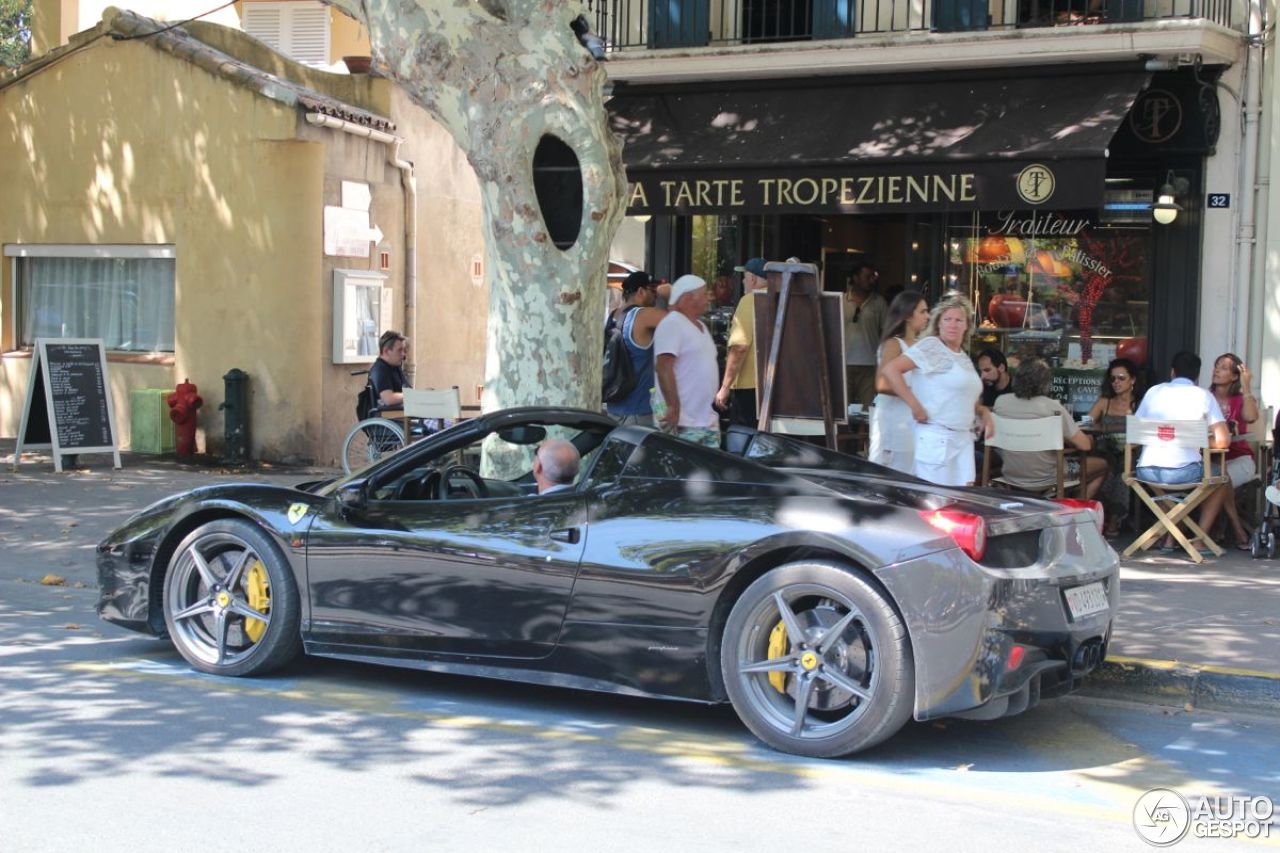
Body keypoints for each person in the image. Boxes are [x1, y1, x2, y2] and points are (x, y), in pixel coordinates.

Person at [881, 294, 992, 486]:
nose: (953, 324)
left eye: (959, 320)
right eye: (947, 319)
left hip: (963, 438)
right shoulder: (931, 347)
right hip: (938, 436)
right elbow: (891, 370)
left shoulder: (962, 356)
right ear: (938, 323)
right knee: (937, 502)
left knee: (960, 503)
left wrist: (983, 411)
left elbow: (963, 395)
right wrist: (915, 405)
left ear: (966, 326)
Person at [1133, 351, 1232, 551]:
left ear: (1172, 372)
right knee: (1222, 478)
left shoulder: (1153, 392)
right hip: (1184, 472)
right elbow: (1223, 441)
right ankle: (1199, 538)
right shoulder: (1203, 396)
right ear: (1197, 377)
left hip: (1147, 471)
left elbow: (1134, 434)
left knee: (1167, 488)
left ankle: (1170, 537)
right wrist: (1195, 442)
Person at [993, 359, 1108, 499]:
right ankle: (1075, 510)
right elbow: (1084, 445)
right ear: (1045, 383)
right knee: (1102, 465)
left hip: (1011, 474)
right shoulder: (1052, 407)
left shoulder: (1001, 402)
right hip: (1049, 477)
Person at [653, 274, 721, 448]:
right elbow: (663, 366)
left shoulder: (701, 326)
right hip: (683, 423)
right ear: (689, 298)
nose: (709, 298)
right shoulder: (672, 323)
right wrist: (673, 407)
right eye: (704, 294)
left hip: (705, 422)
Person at [869, 291, 928, 474]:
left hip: (913, 421)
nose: (928, 316)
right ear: (909, 315)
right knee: (892, 474)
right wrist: (915, 394)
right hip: (894, 421)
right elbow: (882, 383)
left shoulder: (922, 344)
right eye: (923, 311)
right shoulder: (894, 344)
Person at [1084, 357, 1143, 537]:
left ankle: (1114, 517)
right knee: (1108, 465)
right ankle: (1103, 516)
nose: (1116, 382)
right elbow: (1087, 422)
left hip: (1132, 451)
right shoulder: (1105, 401)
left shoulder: (1139, 403)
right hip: (1107, 450)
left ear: (1132, 380)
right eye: (1113, 378)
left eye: (1121, 378)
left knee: (1122, 468)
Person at [1208, 352, 1259, 549]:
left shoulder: (1240, 399)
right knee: (1219, 476)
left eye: (1223, 367)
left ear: (1235, 375)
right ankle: (1233, 528)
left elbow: (1251, 417)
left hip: (1239, 458)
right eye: (1216, 366)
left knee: (1222, 477)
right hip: (1209, 459)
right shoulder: (1205, 397)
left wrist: (1246, 387)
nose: (1216, 370)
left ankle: (1223, 529)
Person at [605, 271, 667, 426]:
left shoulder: (613, 316)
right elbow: (680, 321)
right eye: (653, 291)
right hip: (638, 413)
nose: (656, 296)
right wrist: (671, 294)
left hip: (614, 410)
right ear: (640, 291)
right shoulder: (642, 315)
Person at [715, 257, 768, 427]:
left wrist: (725, 387)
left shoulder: (750, 300)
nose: (743, 281)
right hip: (774, 386)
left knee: (743, 440)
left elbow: (739, 347)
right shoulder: (780, 300)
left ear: (752, 279)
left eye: (745, 277)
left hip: (749, 387)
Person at [843, 261, 889, 408]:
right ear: (856, 278)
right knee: (843, 407)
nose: (872, 280)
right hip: (844, 362)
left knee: (868, 408)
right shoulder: (841, 300)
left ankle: (864, 432)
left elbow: (887, 332)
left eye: (873, 277)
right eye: (867, 276)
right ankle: (844, 432)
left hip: (870, 363)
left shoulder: (879, 303)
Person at [369, 330, 409, 408]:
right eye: (399, 350)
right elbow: (388, 399)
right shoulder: (379, 369)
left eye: (404, 350)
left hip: (403, 414)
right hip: (390, 416)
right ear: (386, 351)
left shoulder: (395, 367)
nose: (403, 354)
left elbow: (409, 391)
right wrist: (413, 396)